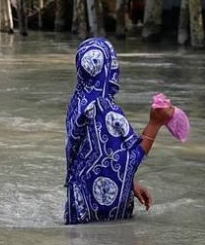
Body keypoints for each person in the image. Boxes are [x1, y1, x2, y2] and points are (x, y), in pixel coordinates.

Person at [65, 37, 174, 224]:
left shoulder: (78, 102)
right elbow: (128, 160)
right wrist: (156, 123)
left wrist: (130, 184)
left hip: (79, 205)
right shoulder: (105, 108)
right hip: (101, 213)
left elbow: (94, 157)